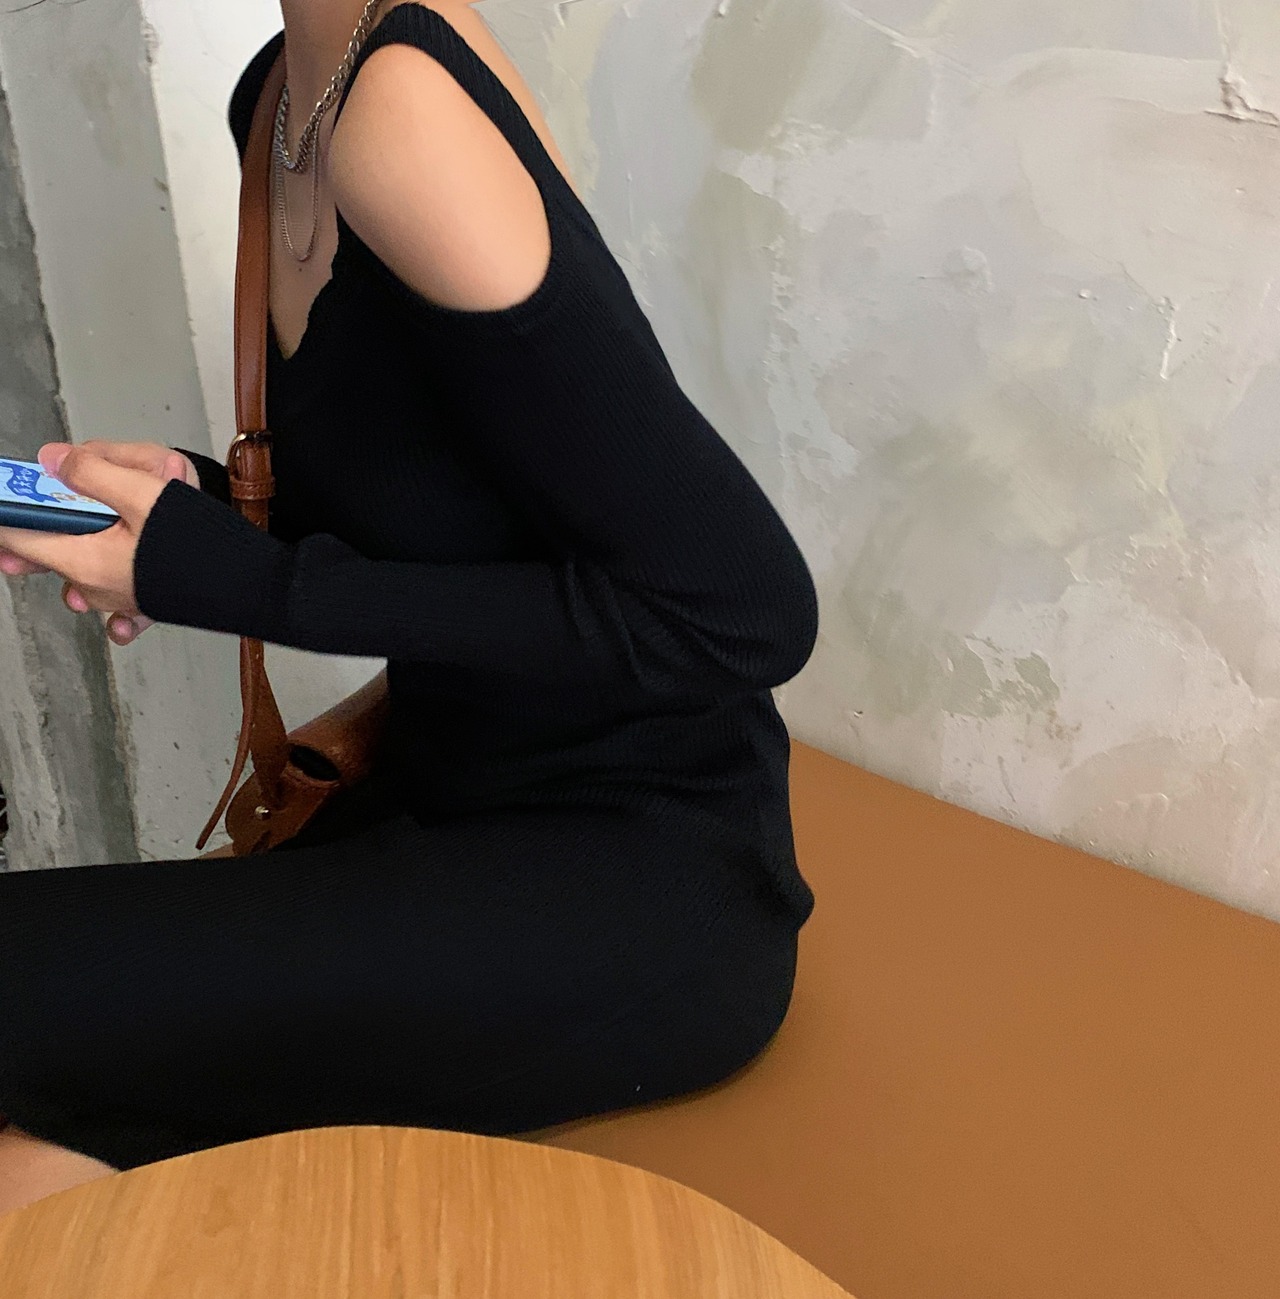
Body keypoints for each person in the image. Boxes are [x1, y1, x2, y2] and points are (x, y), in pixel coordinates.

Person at [0, 0, 819, 1214]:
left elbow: (741, 614)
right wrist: (199, 511)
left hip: (633, 878)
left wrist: (230, 579)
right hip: (436, 800)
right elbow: (448, 504)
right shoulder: (280, 100)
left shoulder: (399, 118)